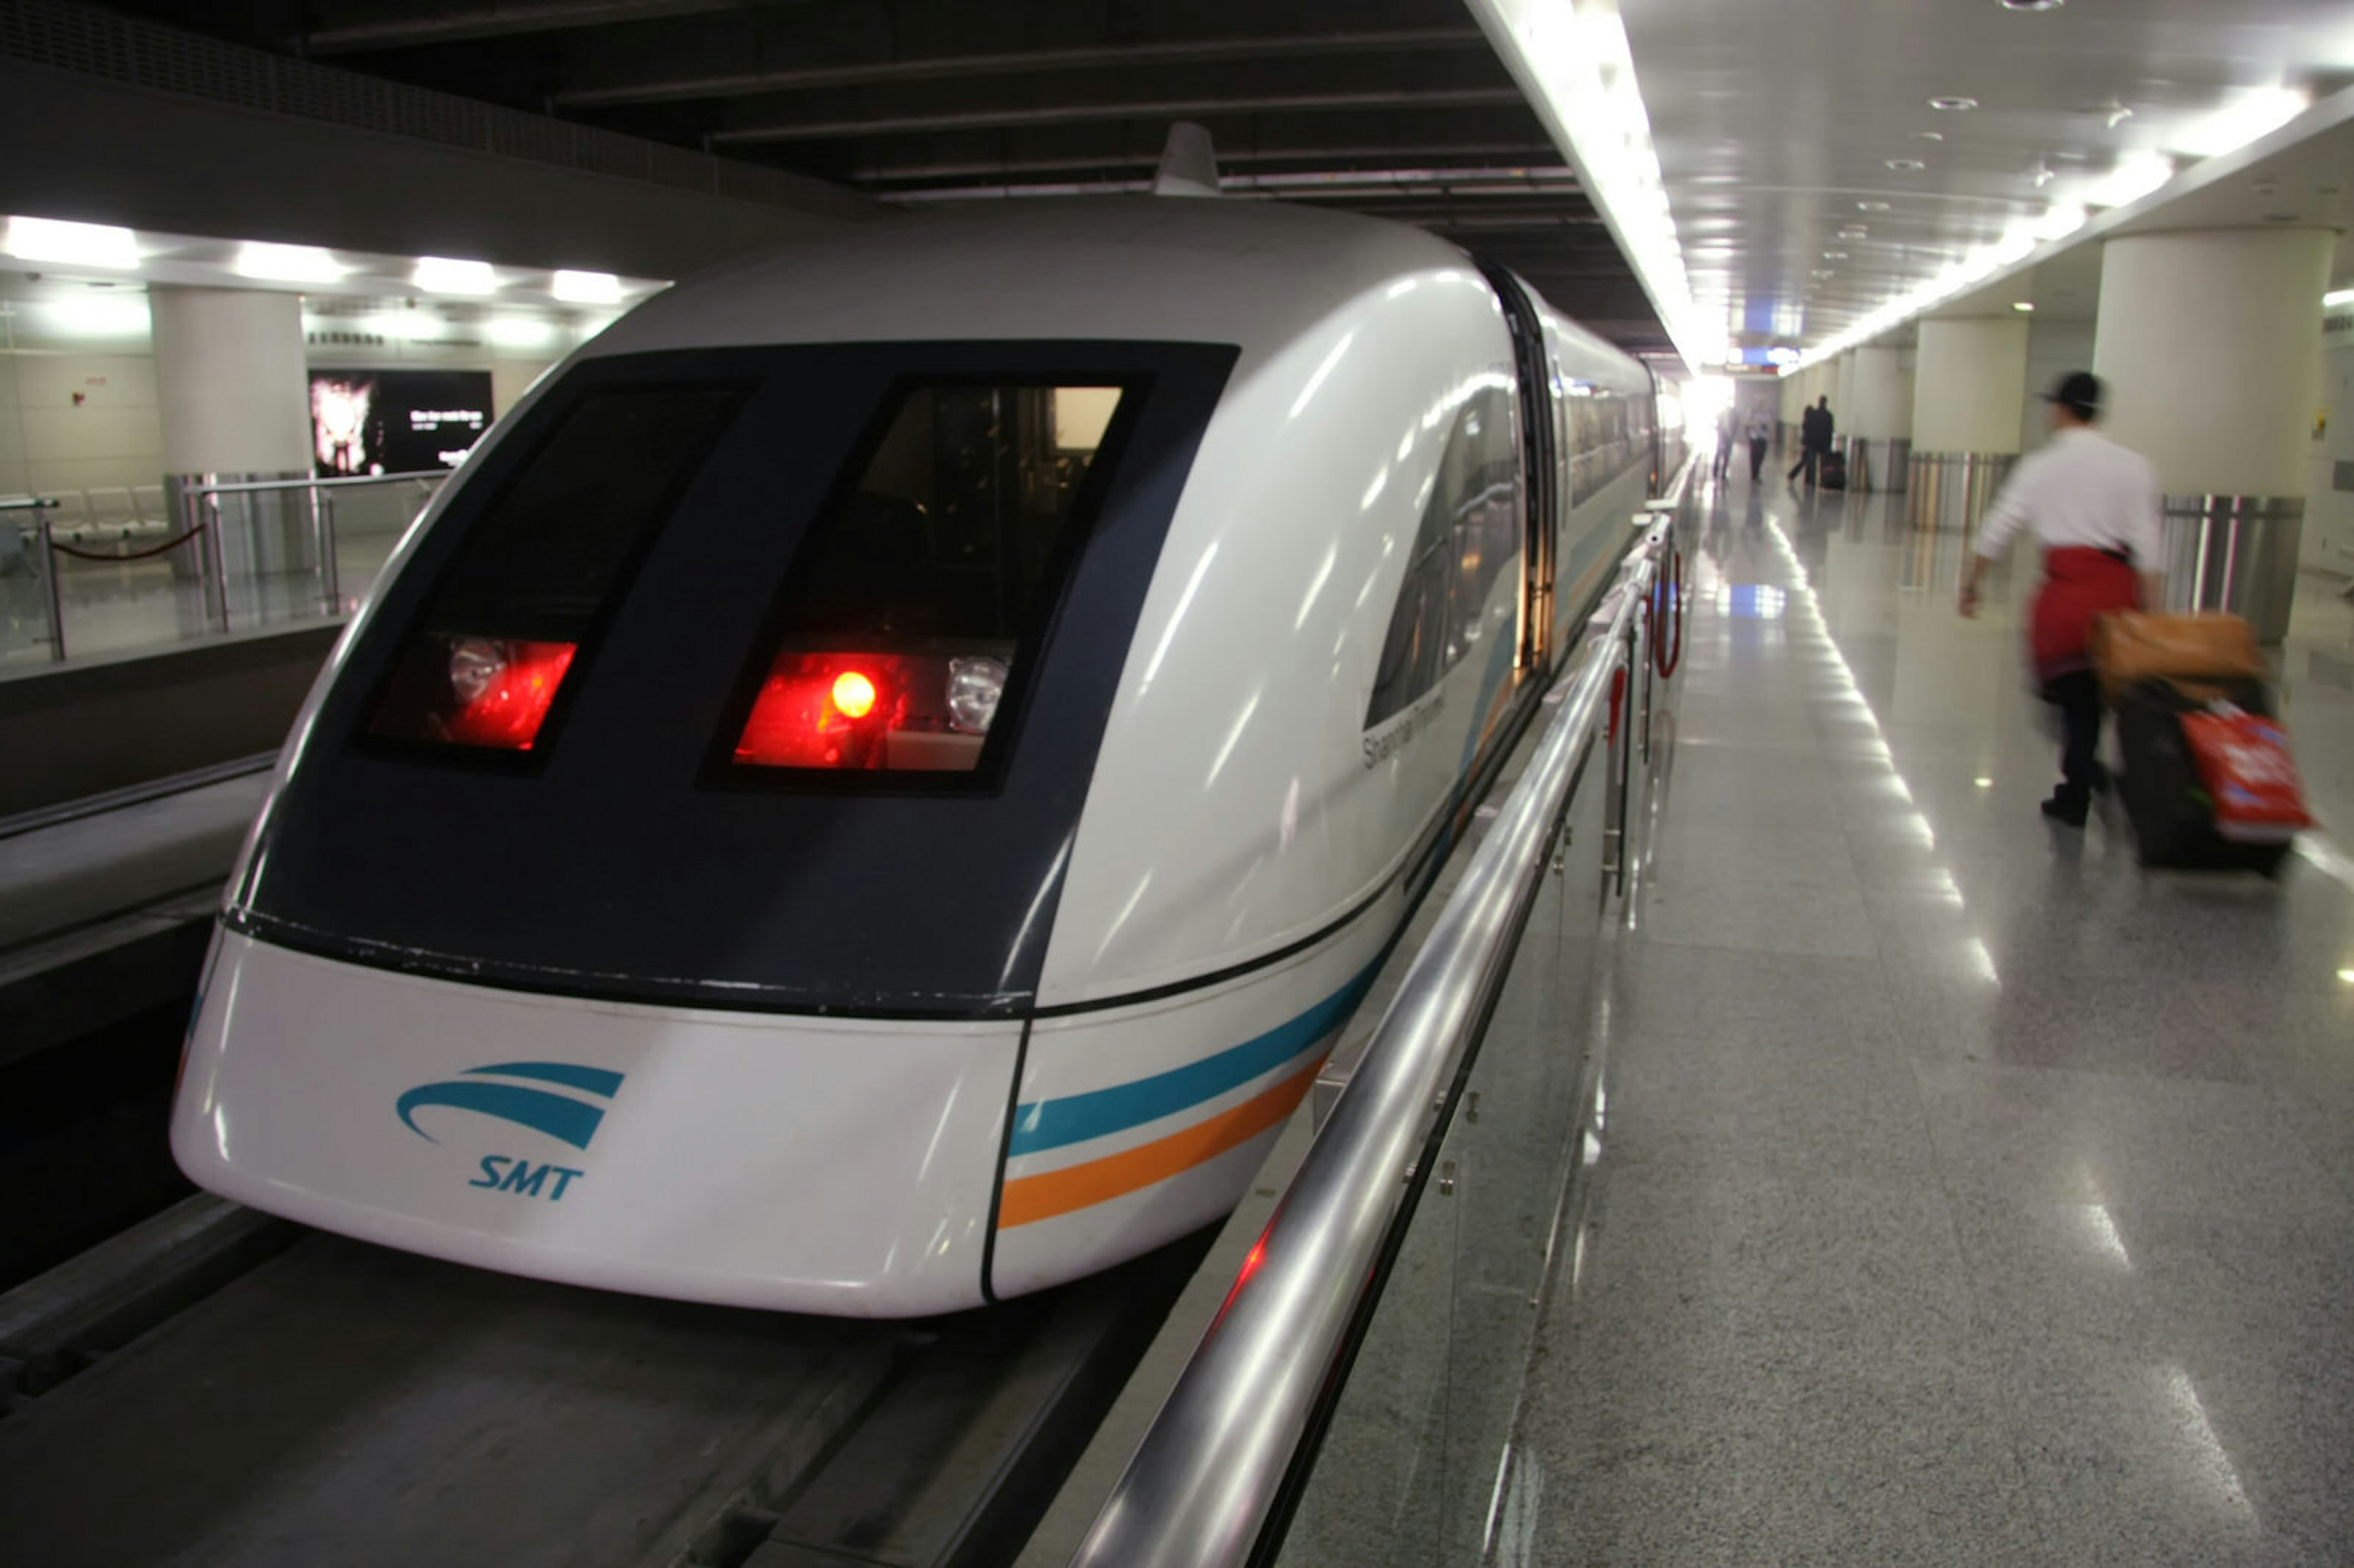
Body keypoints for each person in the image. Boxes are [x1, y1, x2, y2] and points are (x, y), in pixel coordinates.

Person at [1958, 371, 2165, 827]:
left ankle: (2081, 783)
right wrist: (2151, 618)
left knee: (2064, 700)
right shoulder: (2136, 467)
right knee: (2098, 697)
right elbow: (2150, 550)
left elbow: (1997, 531)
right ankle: (2086, 777)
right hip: (2117, 597)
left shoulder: (2040, 467)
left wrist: (1971, 584)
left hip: (2065, 600)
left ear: (2061, 410)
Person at [1787, 395, 1833, 487]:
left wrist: (1805, 442)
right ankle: (1823, 481)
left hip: (1812, 443)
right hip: (1824, 444)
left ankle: (1812, 482)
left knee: (1810, 463)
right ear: (1826, 403)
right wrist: (1829, 444)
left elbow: (1807, 428)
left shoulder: (1813, 414)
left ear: (1819, 402)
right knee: (1823, 464)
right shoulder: (1829, 416)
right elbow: (1830, 431)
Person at [1745, 412, 1772, 482]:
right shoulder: (1752, 411)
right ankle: (1755, 475)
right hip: (1754, 438)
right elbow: (1746, 423)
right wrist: (1754, 423)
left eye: (1763, 401)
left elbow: (1769, 425)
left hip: (1763, 438)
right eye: (1760, 401)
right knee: (1755, 456)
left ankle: (1756, 472)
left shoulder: (1767, 413)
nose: (1762, 403)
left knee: (1761, 456)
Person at [1712, 408, 1734, 480]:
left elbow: (1737, 422)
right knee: (1719, 454)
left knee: (1727, 455)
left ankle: (1723, 474)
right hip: (1722, 436)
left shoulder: (1734, 413)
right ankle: (1715, 472)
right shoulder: (1720, 413)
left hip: (1730, 436)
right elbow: (1714, 421)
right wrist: (1717, 429)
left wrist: (1733, 433)